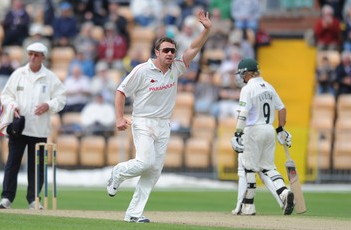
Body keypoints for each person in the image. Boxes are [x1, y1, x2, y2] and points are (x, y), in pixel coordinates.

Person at [107, 10, 211, 223]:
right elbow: (120, 91)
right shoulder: (142, 70)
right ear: (157, 52)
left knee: (153, 172)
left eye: (172, 50)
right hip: (143, 122)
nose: (170, 54)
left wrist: (207, 29)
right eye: (166, 50)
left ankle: (133, 214)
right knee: (145, 162)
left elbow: (194, 47)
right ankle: (118, 172)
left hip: (164, 125)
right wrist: (119, 117)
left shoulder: (176, 68)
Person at [0, 42, 66, 209]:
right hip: (18, 127)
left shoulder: (50, 77)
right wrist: (13, 105)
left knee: (37, 167)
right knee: (12, 163)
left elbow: (61, 99)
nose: (33, 57)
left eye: (36, 55)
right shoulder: (19, 74)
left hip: (39, 129)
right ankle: (6, 198)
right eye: (31, 54)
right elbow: (5, 95)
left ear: (43, 57)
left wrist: (48, 105)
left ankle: (34, 199)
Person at [230, 58, 294, 216]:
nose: (241, 77)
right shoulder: (269, 87)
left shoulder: (248, 89)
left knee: (248, 168)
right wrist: (280, 129)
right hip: (269, 130)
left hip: (253, 130)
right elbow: (282, 109)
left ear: (247, 73)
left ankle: (248, 206)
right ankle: (284, 193)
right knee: (268, 167)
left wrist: (238, 133)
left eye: (242, 74)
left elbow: (243, 113)